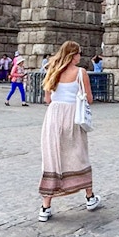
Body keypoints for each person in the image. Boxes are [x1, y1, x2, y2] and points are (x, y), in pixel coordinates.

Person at [37, 40, 100, 222]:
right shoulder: (81, 73)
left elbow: (47, 99)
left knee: (52, 158)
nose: (80, 56)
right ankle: (89, 198)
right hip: (72, 116)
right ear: (73, 55)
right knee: (79, 154)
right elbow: (89, 98)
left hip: (53, 117)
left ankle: (45, 207)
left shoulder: (52, 71)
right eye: (79, 53)